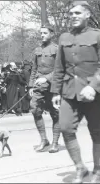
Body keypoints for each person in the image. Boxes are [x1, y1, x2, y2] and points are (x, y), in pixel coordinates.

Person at [51, 1, 100, 183]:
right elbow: (59, 67)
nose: (73, 16)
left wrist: (93, 85)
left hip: (94, 95)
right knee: (65, 127)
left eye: (78, 13)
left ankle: (98, 170)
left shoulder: (97, 35)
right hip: (69, 92)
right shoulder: (64, 37)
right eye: (71, 13)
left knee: (97, 132)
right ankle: (80, 168)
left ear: (87, 15)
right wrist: (56, 92)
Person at [28, 24, 60, 153]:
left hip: (54, 85)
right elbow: (34, 69)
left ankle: (55, 143)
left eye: (45, 33)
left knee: (55, 114)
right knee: (35, 109)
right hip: (39, 86)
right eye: (41, 33)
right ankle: (43, 140)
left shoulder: (57, 49)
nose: (42, 35)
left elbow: (60, 69)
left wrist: (47, 78)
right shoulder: (37, 50)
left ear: (51, 34)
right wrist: (30, 85)